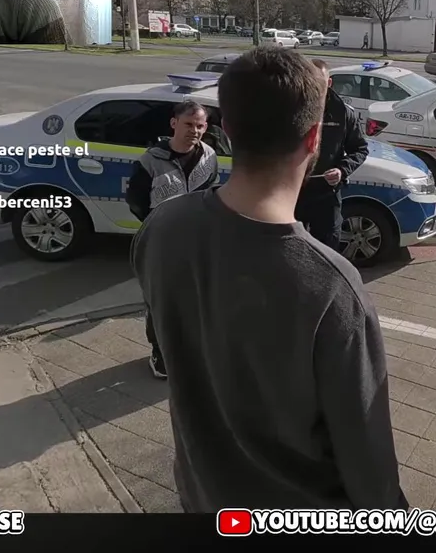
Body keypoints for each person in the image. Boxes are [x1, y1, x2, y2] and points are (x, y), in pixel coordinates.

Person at [131, 46, 406, 511]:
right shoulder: (332, 284)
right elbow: (367, 455)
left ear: (226, 130)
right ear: (314, 138)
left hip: (202, 496)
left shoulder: (161, 228)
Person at [125, 100, 219, 379]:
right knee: (161, 301)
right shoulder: (150, 160)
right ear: (174, 123)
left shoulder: (209, 156)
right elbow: (136, 201)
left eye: (200, 126)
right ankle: (160, 352)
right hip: (161, 242)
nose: (195, 131)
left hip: (196, 241)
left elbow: (210, 192)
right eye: (188, 124)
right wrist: (158, 224)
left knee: (195, 300)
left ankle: (189, 348)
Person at [295, 59, 369, 250]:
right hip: (294, 192)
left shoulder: (342, 112)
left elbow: (360, 149)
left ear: (329, 82)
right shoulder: (292, 109)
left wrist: (342, 171)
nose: (315, 86)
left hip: (326, 195)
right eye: (311, 80)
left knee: (327, 249)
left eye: (320, 81)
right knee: (293, 247)